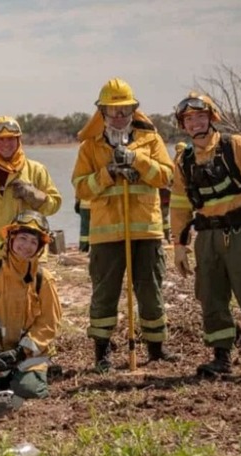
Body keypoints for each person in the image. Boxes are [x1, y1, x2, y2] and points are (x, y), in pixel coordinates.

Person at [71, 78, 178, 372]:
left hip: (146, 229)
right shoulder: (90, 147)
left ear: (133, 110)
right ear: (102, 112)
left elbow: (166, 177)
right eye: (112, 111)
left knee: (150, 290)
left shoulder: (151, 140)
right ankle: (102, 354)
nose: (118, 116)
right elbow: (81, 188)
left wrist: (137, 160)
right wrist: (108, 173)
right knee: (104, 293)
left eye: (124, 110)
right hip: (106, 235)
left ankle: (156, 350)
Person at [170, 93, 241, 376]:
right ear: (183, 125)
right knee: (210, 296)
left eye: (200, 116)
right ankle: (221, 357)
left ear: (211, 118)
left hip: (240, 234)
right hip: (207, 238)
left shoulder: (235, 146)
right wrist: (179, 244)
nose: (195, 123)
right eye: (189, 119)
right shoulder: (184, 160)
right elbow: (179, 205)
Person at [0, 210, 61, 399]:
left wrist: (21, 352)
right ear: (10, 238)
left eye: (34, 242)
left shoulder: (44, 279)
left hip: (28, 356)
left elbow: (49, 324)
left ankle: (31, 376)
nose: (27, 246)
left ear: (40, 247)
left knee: (27, 391)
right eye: (22, 238)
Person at [0, 116, 62, 272]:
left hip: (32, 254)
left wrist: (34, 195)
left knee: (33, 296)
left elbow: (54, 206)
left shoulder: (36, 171)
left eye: (11, 139)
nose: (6, 144)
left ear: (19, 140)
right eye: (0, 140)